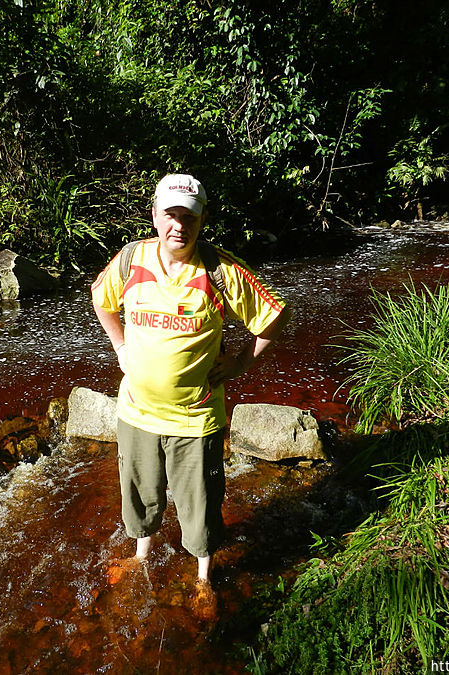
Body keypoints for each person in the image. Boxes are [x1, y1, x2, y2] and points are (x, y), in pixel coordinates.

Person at [91, 173, 288, 601]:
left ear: (201, 220)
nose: (178, 225)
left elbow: (274, 318)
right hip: (136, 413)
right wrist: (120, 344)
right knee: (140, 497)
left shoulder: (221, 271)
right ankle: (141, 556)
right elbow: (100, 299)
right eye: (170, 215)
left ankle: (203, 578)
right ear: (155, 215)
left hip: (194, 419)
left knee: (199, 509)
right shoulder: (130, 260)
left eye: (188, 217)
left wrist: (238, 363)